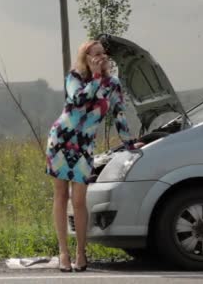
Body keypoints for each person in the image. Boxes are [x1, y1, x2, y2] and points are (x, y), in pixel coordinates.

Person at [45, 38, 143, 272]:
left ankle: (81, 252)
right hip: (61, 140)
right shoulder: (74, 78)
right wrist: (96, 77)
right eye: (94, 54)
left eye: (102, 54)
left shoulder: (113, 83)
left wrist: (129, 143)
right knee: (60, 196)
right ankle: (63, 253)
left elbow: (118, 114)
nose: (100, 57)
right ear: (85, 58)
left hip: (84, 146)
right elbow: (77, 100)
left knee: (79, 201)